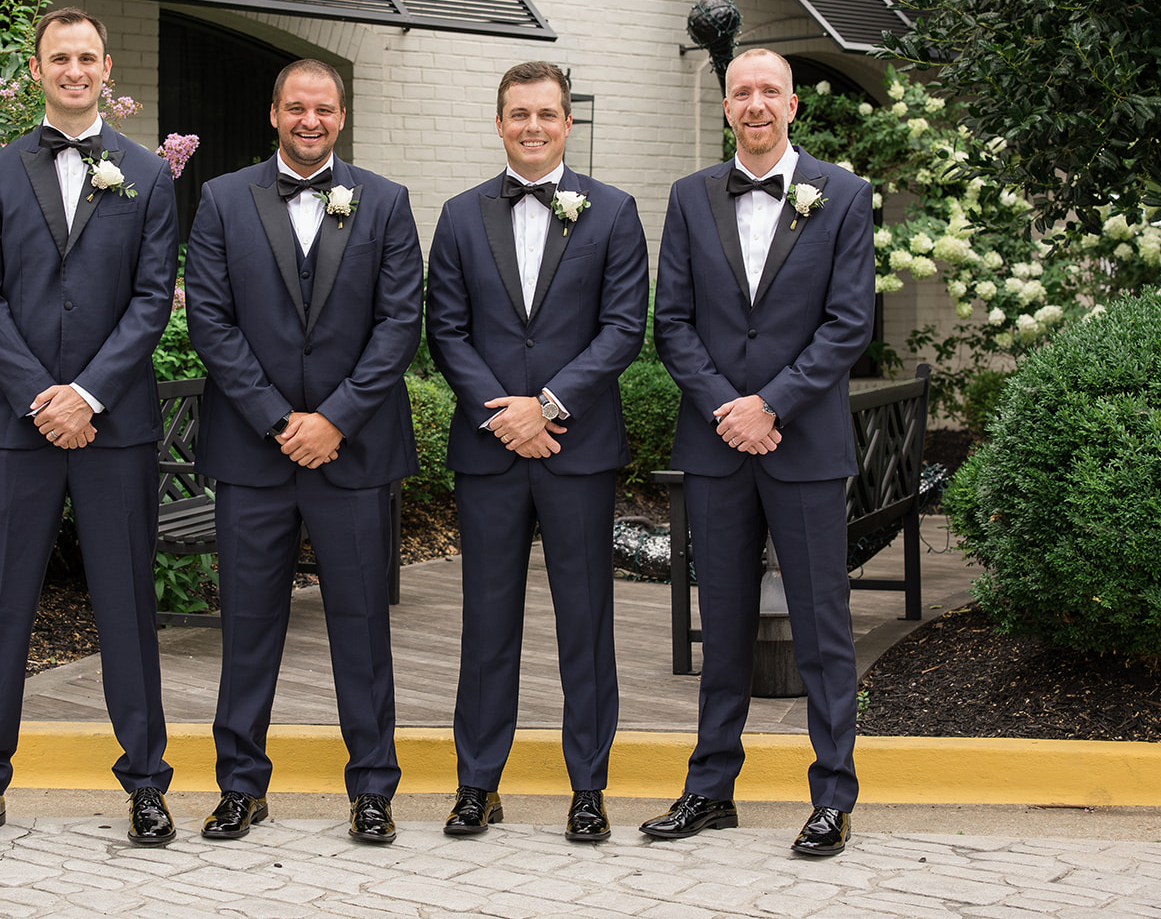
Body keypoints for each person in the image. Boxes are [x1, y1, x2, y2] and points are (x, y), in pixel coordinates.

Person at [0, 7, 180, 849]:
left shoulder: (148, 177)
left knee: (126, 609)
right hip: (15, 427)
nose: (75, 70)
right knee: (1, 608)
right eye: (60, 58)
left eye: (87, 57)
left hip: (113, 431)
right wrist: (42, 396)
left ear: (106, 69)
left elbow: (152, 300)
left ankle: (147, 783)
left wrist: (87, 394)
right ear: (38, 68)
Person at [184, 58, 423, 844]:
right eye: (296, 107)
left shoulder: (386, 202)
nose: (310, 120)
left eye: (323, 108)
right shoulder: (221, 200)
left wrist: (337, 419)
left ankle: (373, 789)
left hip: (351, 455)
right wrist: (277, 418)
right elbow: (211, 323)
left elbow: (399, 325)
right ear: (275, 112)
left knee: (361, 628)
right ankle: (241, 786)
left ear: (341, 116)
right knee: (250, 625)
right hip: (254, 453)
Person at [646, 47, 875, 856]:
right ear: (724, 107)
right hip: (715, 446)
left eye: (769, 91)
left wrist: (771, 404)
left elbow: (850, 322)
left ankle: (833, 796)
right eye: (741, 92)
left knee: (822, 625)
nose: (755, 104)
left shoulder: (842, 195)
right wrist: (725, 408)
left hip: (803, 443)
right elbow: (669, 320)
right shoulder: (689, 196)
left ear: (793, 106)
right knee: (725, 624)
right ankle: (711, 787)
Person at [425, 61, 649, 842]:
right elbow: (444, 330)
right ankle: (477, 783)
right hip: (489, 452)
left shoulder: (614, 212)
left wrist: (547, 406)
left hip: (576, 449)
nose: (532, 125)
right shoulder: (458, 216)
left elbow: (624, 326)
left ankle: (588, 787)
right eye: (518, 113)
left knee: (584, 621)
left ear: (567, 123)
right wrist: (504, 415)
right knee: (487, 621)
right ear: (498, 123)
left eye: (546, 113)